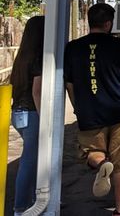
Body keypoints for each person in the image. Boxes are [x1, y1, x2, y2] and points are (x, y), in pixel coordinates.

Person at [64, 3, 120, 216]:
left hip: (90, 112)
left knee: (92, 152)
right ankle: (119, 210)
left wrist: (78, 107)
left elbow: (69, 84)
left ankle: (102, 164)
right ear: (108, 23)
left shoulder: (72, 47)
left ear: (90, 22)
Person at [9, 16, 45, 215]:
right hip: (32, 113)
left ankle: (31, 199)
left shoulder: (22, 56)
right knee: (30, 160)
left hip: (18, 113)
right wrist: (45, 118)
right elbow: (37, 91)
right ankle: (21, 206)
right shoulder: (39, 58)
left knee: (30, 159)